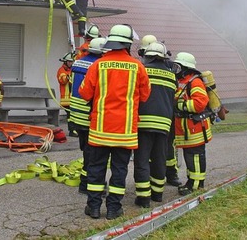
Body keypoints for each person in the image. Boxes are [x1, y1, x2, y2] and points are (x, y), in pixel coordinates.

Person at [79, 24, 150, 220]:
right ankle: (113, 208)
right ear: (127, 44)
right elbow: (145, 96)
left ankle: (93, 207)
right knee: (119, 169)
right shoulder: (138, 67)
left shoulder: (98, 65)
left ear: (111, 43)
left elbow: (84, 93)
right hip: (125, 132)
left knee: (96, 167)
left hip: (100, 129)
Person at [134, 41, 177, 208]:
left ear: (147, 55)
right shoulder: (171, 75)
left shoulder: (142, 70)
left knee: (142, 159)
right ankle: (157, 194)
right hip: (164, 124)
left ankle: (143, 197)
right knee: (160, 158)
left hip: (143, 122)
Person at [68, 37, 106, 194]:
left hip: (75, 114)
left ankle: (85, 182)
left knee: (87, 151)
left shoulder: (77, 63)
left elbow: (71, 84)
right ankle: (88, 184)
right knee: (94, 153)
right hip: (88, 114)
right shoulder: (97, 66)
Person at [173, 52, 212, 194]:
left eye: (179, 66)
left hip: (194, 127)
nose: (176, 69)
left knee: (195, 156)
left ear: (186, 67)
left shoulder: (194, 82)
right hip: (186, 128)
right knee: (189, 156)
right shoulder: (182, 81)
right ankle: (191, 181)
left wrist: (180, 106)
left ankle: (195, 185)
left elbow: (200, 103)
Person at [57, 51, 76, 136]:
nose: (70, 63)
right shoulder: (61, 71)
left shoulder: (71, 70)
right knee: (70, 115)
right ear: (65, 62)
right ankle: (72, 131)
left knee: (73, 114)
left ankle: (73, 130)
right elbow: (63, 80)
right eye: (69, 62)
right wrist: (71, 74)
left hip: (72, 98)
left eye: (72, 62)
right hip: (66, 99)